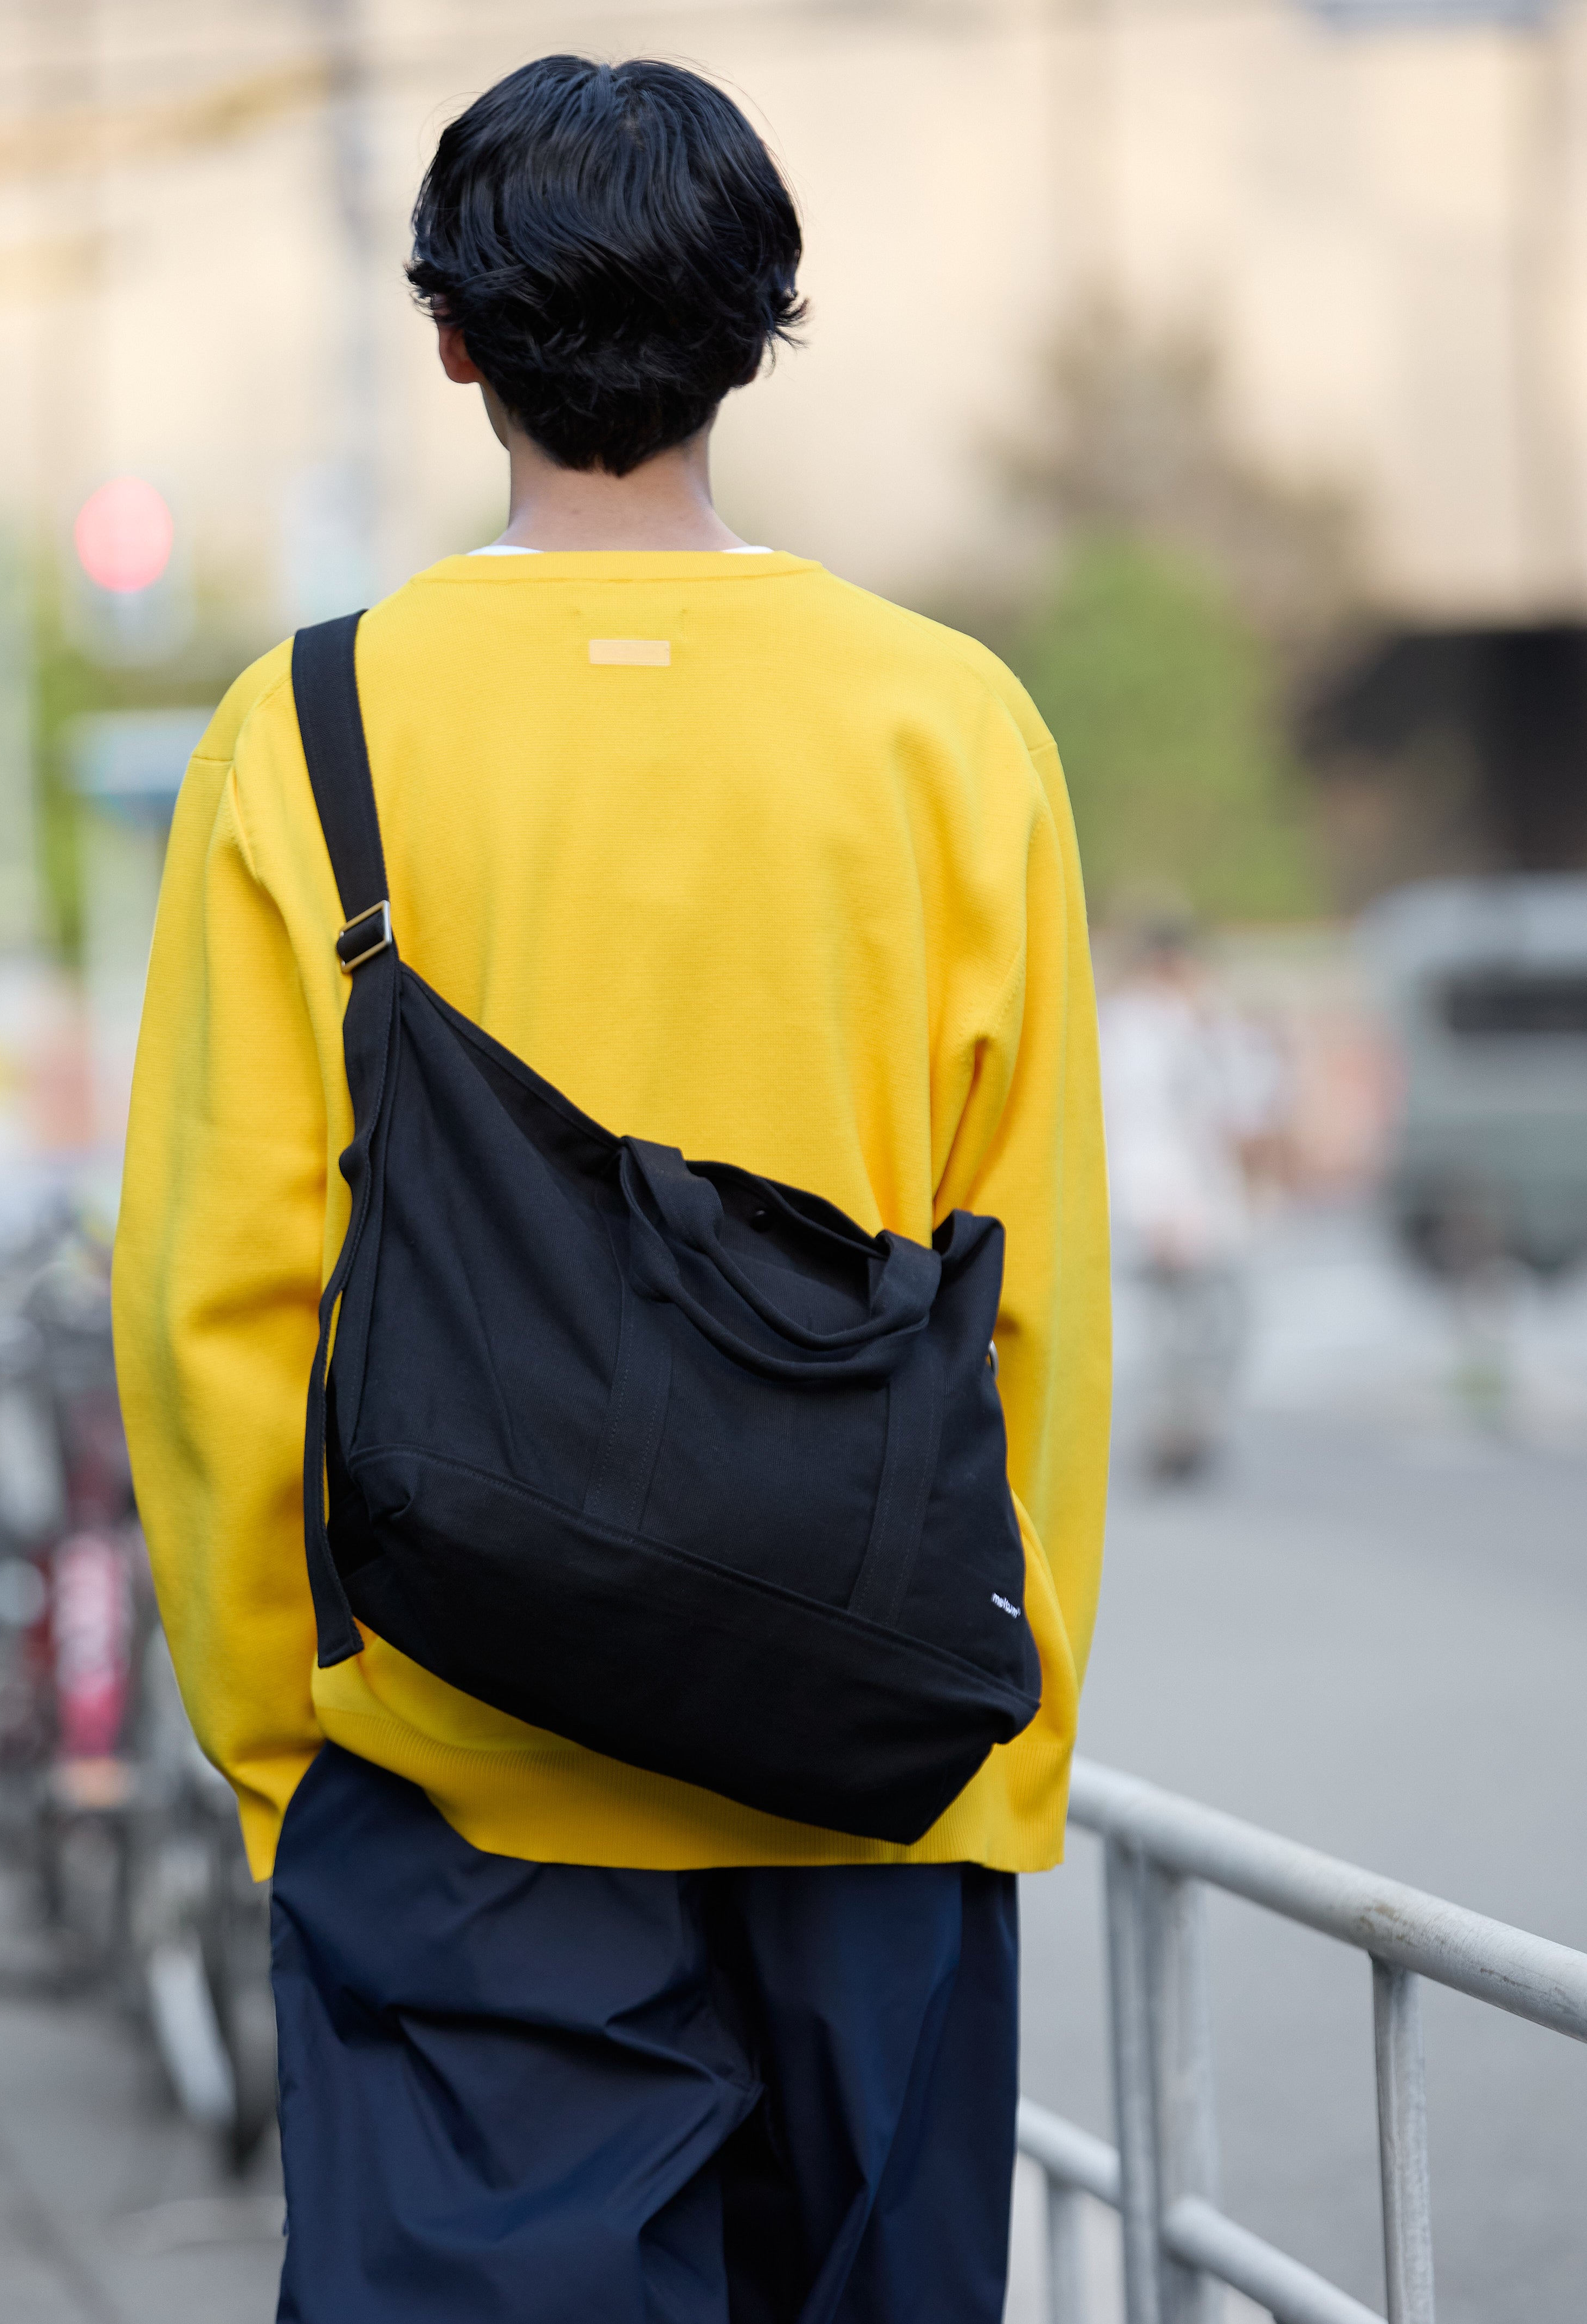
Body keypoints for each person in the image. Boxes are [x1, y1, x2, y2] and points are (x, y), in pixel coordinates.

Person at [113, 55, 1109, 2324]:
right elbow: (1025, 1276)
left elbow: (210, 1305)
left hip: (454, 1781)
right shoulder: (947, 726)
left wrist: (301, 1758)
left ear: (449, 339)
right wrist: (995, 1755)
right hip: (871, 1781)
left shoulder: (309, 730)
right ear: (757, 334)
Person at [1099, 914, 1282, 1478]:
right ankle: (1171, 1431)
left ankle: (1189, 1425)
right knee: (1176, 1326)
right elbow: (1137, 1125)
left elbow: (1243, 1106)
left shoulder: (1205, 1023)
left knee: (1220, 1320)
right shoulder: (1131, 1030)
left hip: (1209, 1201)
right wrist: (1157, 1207)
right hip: (1164, 1207)